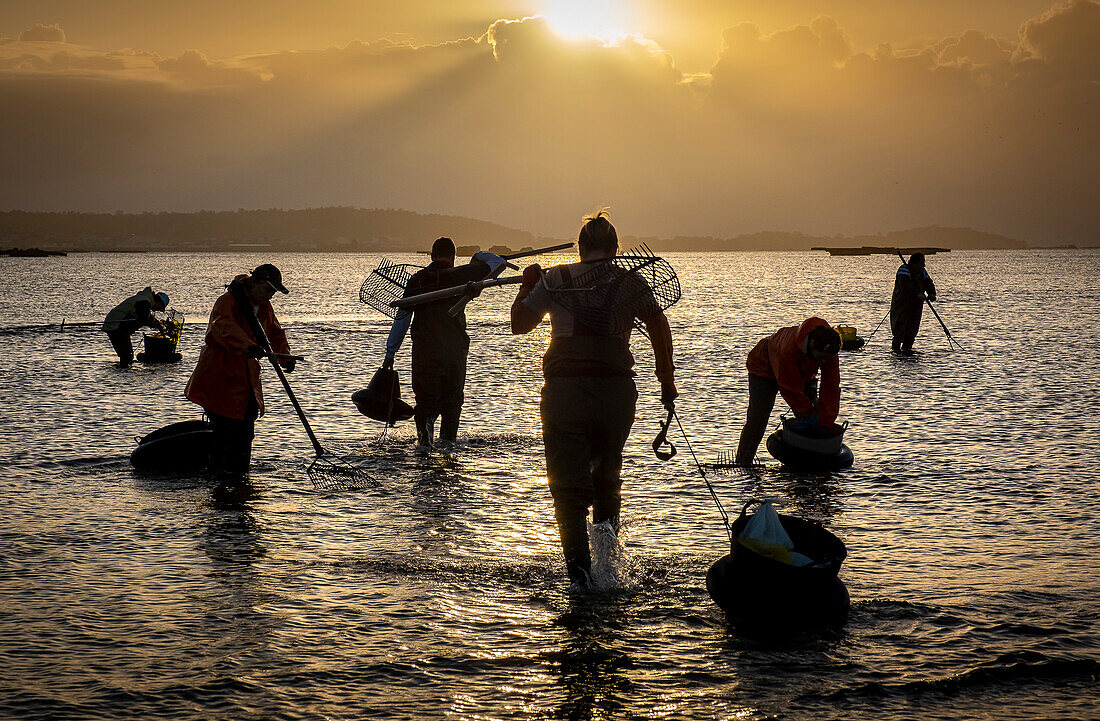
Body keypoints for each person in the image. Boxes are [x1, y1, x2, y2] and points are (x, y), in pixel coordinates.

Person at [511, 211, 677, 587]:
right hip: (615, 396)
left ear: (581, 247)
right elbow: (658, 325)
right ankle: (610, 571)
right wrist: (666, 381)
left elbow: (520, 324)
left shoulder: (557, 278)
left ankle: (581, 580)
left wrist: (527, 284)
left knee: (568, 491)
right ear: (616, 249)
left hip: (564, 394)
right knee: (607, 477)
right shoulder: (632, 281)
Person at [383, 237, 507, 451]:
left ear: (431, 256)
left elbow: (402, 319)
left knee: (425, 405)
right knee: (452, 406)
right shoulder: (461, 275)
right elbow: (498, 264)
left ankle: (424, 447)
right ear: (453, 257)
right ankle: (448, 449)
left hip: (425, 352)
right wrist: (477, 257)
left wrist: (390, 352)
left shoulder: (417, 281)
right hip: (454, 353)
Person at [185, 264, 294, 477]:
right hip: (221, 376)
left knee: (245, 430)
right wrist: (248, 346)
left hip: (246, 381)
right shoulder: (227, 302)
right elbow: (224, 327)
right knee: (225, 432)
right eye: (268, 290)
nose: (270, 296)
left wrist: (285, 356)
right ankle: (221, 479)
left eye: (273, 292)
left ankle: (239, 479)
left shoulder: (263, 306)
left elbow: (275, 332)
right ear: (255, 283)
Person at [734, 318, 841, 466]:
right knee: (758, 418)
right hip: (763, 368)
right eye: (821, 358)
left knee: (819, 416)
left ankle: (811, 464)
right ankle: (743, 462)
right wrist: (807, 415)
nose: (823, 362)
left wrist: (826, 421)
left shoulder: (829, 350)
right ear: (811, 345)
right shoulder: (787, 351)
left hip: (803, 372)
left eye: (826, 359)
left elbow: (831, 388)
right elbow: (790, 389)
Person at [101, 287, 168, 367]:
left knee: (127, 356)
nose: (159, 310)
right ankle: (122, 374)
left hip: (119, 327)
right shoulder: (144, 302)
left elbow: (148, 317)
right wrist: (157, 325)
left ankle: (122, 371)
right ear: (159, 302)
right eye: (160, 308)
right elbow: (144, 318)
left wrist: (158, 325)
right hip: (115, 326)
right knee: (127, 355)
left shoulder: (145, 301)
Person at [890, 252, 937, 354]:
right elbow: (905, 285)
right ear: (915, 263)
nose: (924, 265)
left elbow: (929, 283)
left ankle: (907, 351)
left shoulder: (922, 272)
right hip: (901, 305)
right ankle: (896, 352)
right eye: (922, 262)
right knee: (899, 330)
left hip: (916, 306)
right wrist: (917, 293)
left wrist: (932, 293)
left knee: (912, 331)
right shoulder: (903, 270)